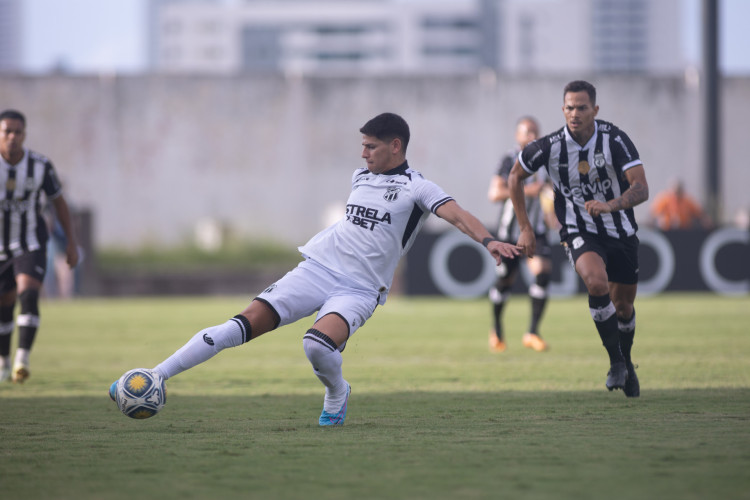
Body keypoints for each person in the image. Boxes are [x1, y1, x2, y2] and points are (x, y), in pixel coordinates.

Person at [110, 112, 521, 425]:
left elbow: (457, 214)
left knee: (316, 346)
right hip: (317, 268)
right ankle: (156, 375)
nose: (363, 153)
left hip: (360, 289)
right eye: (362, 146)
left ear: (396, 146)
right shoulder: (360, 175)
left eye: (371, 146)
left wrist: (488, 241)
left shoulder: (418, 186)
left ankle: (337, 393)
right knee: (240, 323)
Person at [508, 81, 649, 397]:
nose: (575, 114)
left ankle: (625, 361)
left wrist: (610, 205)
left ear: (594, 110)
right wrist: (526, 228)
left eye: (582, 108)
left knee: (624, 307)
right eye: (569, 108)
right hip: (578, 230)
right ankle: (615, 362)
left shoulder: (615, 140)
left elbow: (641, 187)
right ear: (563, 110)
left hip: (621, 232)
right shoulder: (550, 146)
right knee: (596, 284)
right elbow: (515, 176)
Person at [0, 109, 79, 383]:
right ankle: (4, 361)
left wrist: (71, 242)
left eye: (17, 132)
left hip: (30, 242)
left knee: (29, 293)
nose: (12, 137)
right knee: (4, 306)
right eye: (6, 131)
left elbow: (59, 202)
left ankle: (22, 358)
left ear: (24, 134)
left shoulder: (40, 165)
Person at [487, 116, 553, 353]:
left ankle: (532, 332)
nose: (533, 137)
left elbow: (552, 195)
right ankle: (496, 329)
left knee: (543, 273)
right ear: (518, 136)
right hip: (510, 233)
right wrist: (528, 190)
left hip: (537, 231)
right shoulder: (509, 159)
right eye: (528, 132)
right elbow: (494, 193)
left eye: (536, 132)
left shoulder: (547, 162)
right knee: (505, 281)